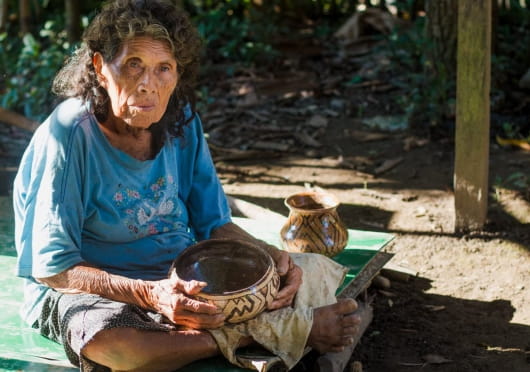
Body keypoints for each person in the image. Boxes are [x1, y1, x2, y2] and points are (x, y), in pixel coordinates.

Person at [13, 1, 362, 371]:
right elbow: (53, 268)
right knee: (116, 345)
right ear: (100, 67)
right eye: (134, 65)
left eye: (163, 68)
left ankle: (245, 332)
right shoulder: (70, 134)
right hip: (95, 290)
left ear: (178, 73)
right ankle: (255, 335)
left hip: (179, 278)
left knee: (306, 270)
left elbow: (214, 225)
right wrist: (151, 296)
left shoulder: (181, 120)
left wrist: (270, 257)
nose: (149, 84)